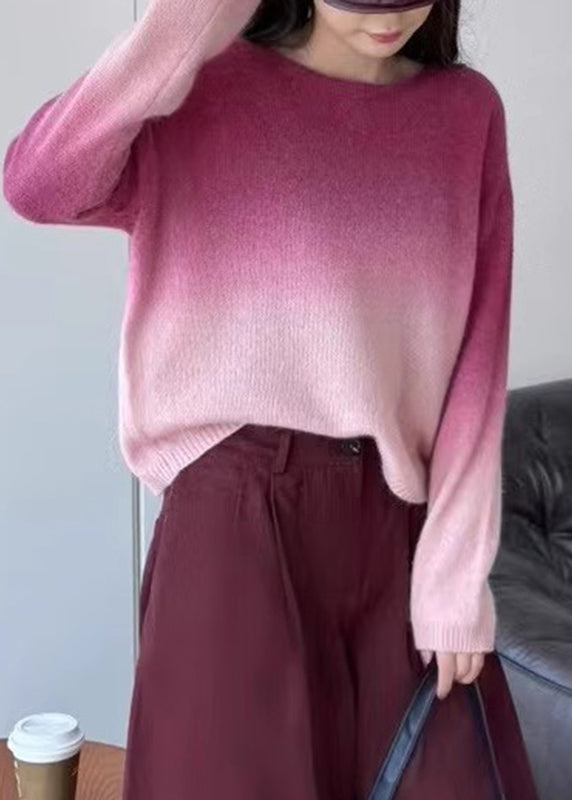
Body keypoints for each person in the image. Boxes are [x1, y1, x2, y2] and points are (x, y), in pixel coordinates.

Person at [2, 0, 540, 797]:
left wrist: (457, 571)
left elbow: (477, 361)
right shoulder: (200, 87)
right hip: (235, 518)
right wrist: (188, 21)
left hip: (399, 522)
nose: (388, 12)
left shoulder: (465, 113)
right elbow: (37, 185)